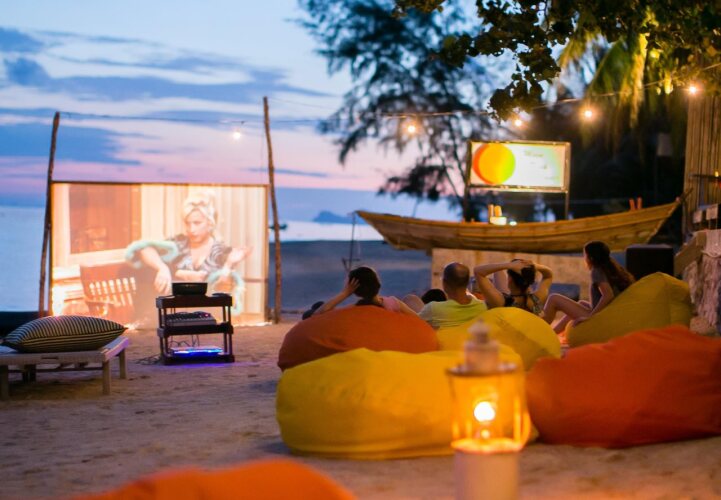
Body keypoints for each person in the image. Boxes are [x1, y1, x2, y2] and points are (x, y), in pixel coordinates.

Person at [126, 190, 251, 315]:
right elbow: (144, 249)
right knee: (148, 271)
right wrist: (162, 268)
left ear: (210, 223)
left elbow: (221, 292)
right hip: (172, 310)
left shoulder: (221, 252)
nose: (191, 229)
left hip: (204, 313)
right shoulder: (178, 243)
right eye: (187, 223)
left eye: (197, 223)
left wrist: (228, 265)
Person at [542, 240, 634, 333]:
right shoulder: (610, 268)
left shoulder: (596, 271)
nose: (584, 258)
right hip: (608, 314)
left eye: (585, 255)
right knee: (581, 303)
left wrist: (590, 317)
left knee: (553, 298)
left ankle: (539, 329)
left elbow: (608, 295)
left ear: (591, 258)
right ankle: (553, 333)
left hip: (601, 319)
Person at [305, 266, 418, 318]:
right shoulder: (393, 303)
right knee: (411, 299)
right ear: (377, 283)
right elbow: (419, 321)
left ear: (354, 290)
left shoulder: (353, 310)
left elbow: (317, 314)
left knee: (315, 308)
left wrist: (345, 293)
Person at [417, 262, 487, 329]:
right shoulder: (482, 307)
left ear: (444, 284)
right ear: (467, 283)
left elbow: (414, 322)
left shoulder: (433, 309)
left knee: (412, 299)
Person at [472, 259, 553, 315]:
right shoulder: (537, 300)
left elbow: (478, 271)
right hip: (528, 331)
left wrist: (508, 265)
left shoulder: (499, 302)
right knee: (498, 273)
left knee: (497, 272)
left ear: (510, 279)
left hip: (508, 331)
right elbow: (548, 275)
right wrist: (533, 266)